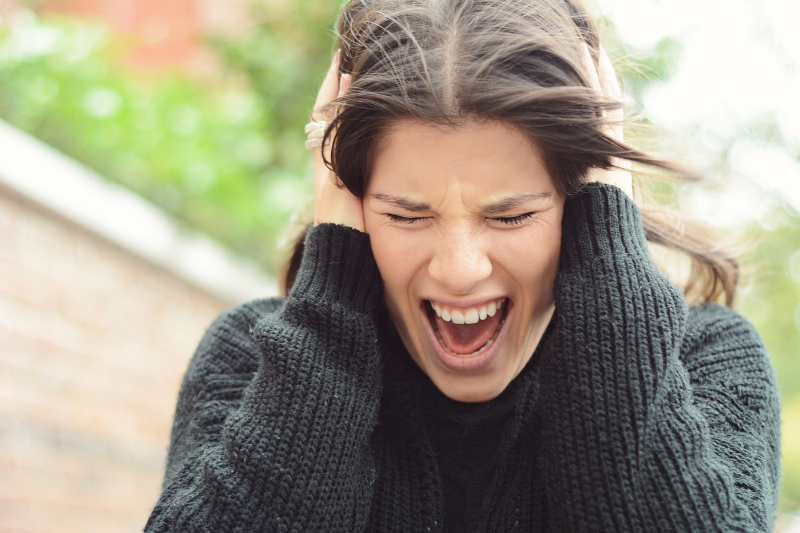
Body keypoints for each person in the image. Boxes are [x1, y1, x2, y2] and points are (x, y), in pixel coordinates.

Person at [145, 0, 781, 531]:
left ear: (586, 197)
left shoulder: (708, 363)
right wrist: (333, 287)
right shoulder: (252, 363)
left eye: (510, 217)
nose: (458, 269)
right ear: (349, 204)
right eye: (405, 215)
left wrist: (608, 267)